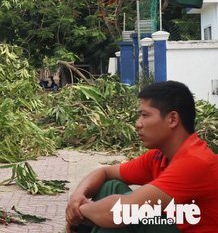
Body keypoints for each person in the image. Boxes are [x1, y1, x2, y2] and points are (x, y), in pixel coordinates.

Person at [65, 81, 218, 232]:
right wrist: (77, 196)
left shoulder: (195, 162)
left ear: (173, 119)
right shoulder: (158, 157)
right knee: (111, 187)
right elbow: (105, 172)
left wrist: (80, 209)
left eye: (145, 115)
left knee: (126, 214)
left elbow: (119, 212)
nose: (138, 124)